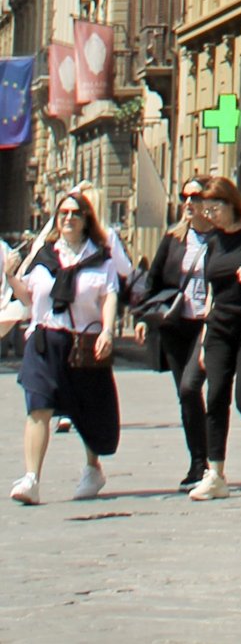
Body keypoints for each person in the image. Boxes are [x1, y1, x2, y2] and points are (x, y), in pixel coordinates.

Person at [138, 171, 241, 496]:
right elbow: (213, 291)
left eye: (214, 209)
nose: (209, 215)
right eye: (207, 210)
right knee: (214, 397)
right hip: (218, 327)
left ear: (230, 204)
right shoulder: (214, 242)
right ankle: (216, 475)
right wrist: (204, 337)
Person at [4, 185, 127, 503]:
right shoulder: (44, 257)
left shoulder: (102, 260)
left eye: (75, 214)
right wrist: (12, 276)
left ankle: (92, 467)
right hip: (45, 341)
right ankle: (31, 478)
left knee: (86, 408)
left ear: (86, 220)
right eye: (63, 214)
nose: (69, 219)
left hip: (83, 345)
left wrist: (108, 331)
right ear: (56, 220)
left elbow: (110, 296)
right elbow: (30, 299)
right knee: (39, 405)